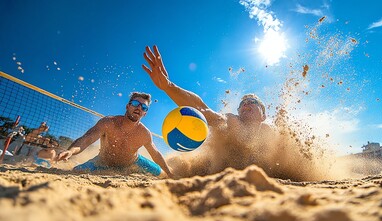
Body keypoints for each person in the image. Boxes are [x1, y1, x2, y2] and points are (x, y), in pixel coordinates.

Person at [142, 46, 277, 177]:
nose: (246, 103)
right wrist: (168, 86)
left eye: (253, 102)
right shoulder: (232, 122)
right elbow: (201, 108)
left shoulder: (271, 133)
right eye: (242, 103)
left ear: (263, 116)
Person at [57, 92, 173, 178]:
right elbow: (87, 139)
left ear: (145, 113)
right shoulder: (108, 123)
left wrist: (169, 172)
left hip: (134, 163)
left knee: (163, 174)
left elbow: (156, 154)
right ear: (128, 106)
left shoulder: (144, 133)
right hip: (102, 163)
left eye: (143, 107)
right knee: (75, 171)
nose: (139, 108)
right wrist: (71, 151)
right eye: (136, 103)